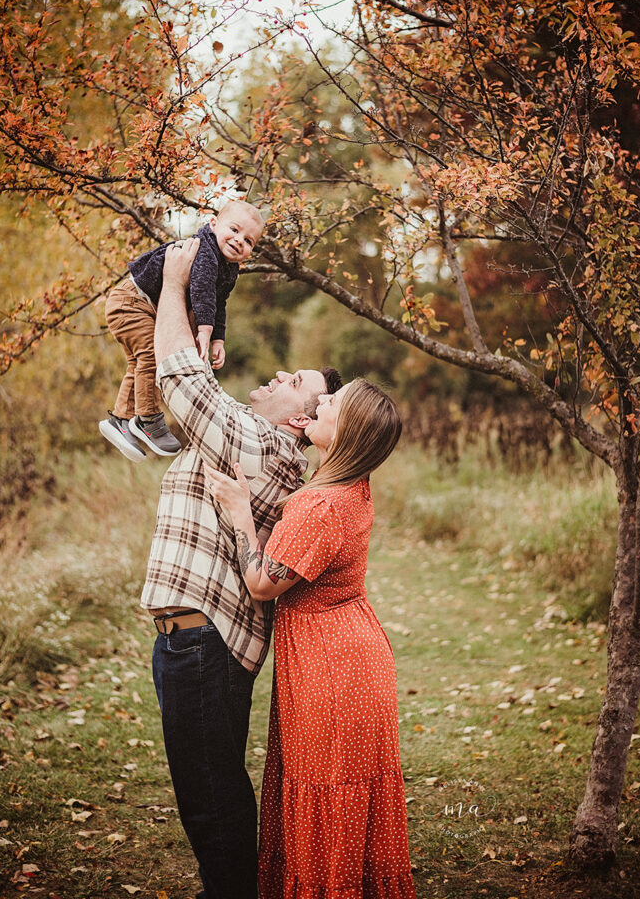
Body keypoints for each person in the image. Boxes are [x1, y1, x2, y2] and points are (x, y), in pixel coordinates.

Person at [143, 235, 342, 899]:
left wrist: (175, 282)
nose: (283, 376)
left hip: (205, 644)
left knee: (211, 799)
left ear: (300, 423)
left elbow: (178, 375)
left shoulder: (267, 450)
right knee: (214, 789)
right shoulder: (249, 434)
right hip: (197, 643)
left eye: (298, 384)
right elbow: (187, 386)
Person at [204, 378, 417, 899]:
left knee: (326, 791)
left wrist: (238, 512)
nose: (321, 402)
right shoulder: (351, 489)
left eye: (333, 404)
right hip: (352, 654)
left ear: (347, 433)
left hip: (331, 667)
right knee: (344, 792)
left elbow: (260, 582)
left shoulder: (319, 506)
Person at [99, 200, 265, 462]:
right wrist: (204, 330)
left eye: (249, 240)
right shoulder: (204, 250)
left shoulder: (229, 269)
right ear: (213, 224)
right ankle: (149, 420)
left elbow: (219, 302)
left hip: (142, 305)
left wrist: (218, 339)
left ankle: (121, 420)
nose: (239, 240)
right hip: (131, 301)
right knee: (151, 357)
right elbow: (201, 290)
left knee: (140, 363)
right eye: (233, 230)